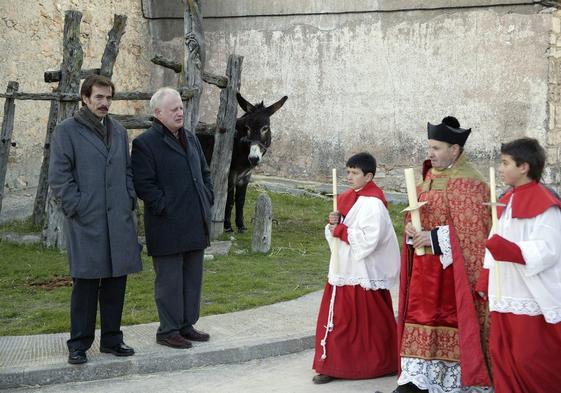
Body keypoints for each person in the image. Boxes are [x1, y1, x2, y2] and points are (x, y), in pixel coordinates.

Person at [48, 74, 142, 365]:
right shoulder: (66, 131)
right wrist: (77, 206)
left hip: (118, 219)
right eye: (99, 97)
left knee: (116, 281)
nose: (104, 103)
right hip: (86, 220)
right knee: (86, 284)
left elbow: (127, 170)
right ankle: (78, 344)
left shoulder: (118, 129)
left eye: (108, 97)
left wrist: (128, 199)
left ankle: (112, 340)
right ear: (85, 98)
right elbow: (59, 177)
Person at [394, 117, 492, 392]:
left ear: (455, 150)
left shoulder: (470, 183)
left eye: (436, 148)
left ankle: (453, 381)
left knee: (450, 320)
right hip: (425, 270)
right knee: (420, 318)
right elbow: (419, 212)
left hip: (453, 274)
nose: (430, 153)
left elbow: (475, 232)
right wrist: (412, 230)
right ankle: (417, 377)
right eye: (429, 147)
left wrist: (434, 238)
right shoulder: (428, 177)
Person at [131, 87, 213, 349]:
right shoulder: (145, 144)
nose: (180, 112)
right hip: (167, 225)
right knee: (169, 282)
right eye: (174, 109)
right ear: (158, 113)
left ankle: (187, 325)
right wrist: (165, 207)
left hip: (194, 221)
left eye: (181, 108)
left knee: (192, 279)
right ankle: (168, 330)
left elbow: (204, 171)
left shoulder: (190, 137)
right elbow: (144, 185)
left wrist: (206, 197)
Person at [480, 138, 561, 393]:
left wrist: (513, 251)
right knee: (502, 354)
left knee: (529, 359)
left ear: (524, 167)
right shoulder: (507, 200)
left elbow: (549, 249)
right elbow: (494, 243)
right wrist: (485, 278)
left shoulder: (546, 205)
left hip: (530, 295)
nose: (500, 169)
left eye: (505, 163)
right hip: (504, 291)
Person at [312, 152, 400, 384]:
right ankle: (333, 364)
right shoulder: (345, 198)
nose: (349, 176)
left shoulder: (373, 204)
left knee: (370, 320)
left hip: (363, 271)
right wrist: (333, 224)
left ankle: (383, 361)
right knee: (340, 318)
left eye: (354, 173)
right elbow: (338, 230)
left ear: (368, 176)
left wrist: (340, 230)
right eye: (348, 172)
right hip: (344, 266)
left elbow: (370, 239)